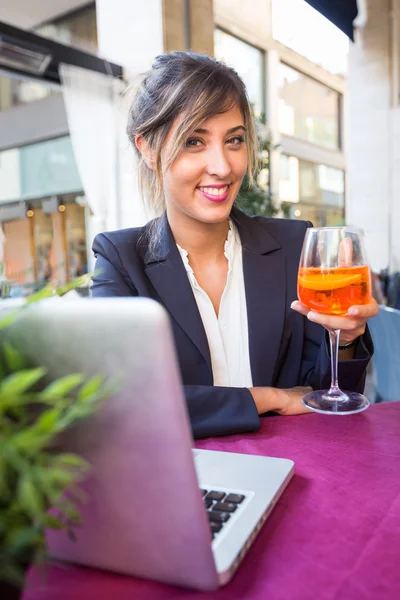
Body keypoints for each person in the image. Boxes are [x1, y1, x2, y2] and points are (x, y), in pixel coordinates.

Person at [91, 52, 378, 439]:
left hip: (298, 469)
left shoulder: (295, 245)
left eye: (234, 140)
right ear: (148, 148)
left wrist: (347, 338)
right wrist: (269, 398)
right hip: (184, 480)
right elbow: (126, 404)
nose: (223, 167)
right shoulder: (120, 260)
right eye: (194, 141)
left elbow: (329, 397)